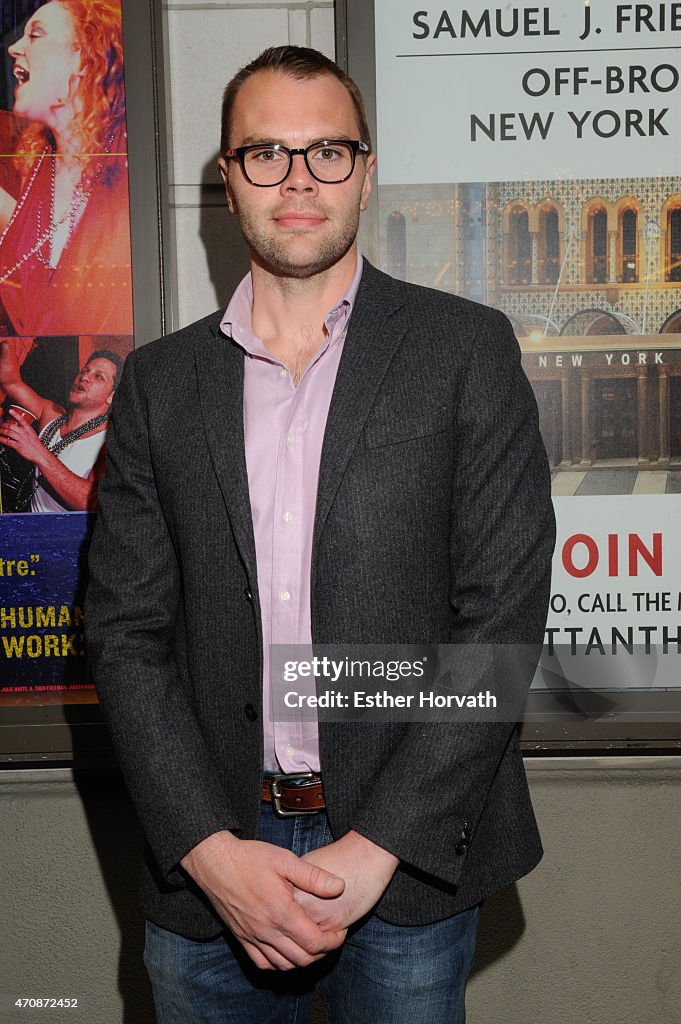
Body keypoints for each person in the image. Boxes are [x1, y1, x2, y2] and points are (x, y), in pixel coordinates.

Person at [85, 46, 555, 1023]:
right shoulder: (158, 387)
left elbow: (500, 625)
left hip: (406, 859)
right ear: (228, 178)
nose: (299, 179)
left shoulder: (465, 351)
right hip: (210, 860)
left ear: (367, 170)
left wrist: (375, 846)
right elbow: (125, 636)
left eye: (328, 151)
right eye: (266, 153)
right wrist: (212, 854)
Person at [0, 0, 132, 336]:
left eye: (36, 35)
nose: (14, 48)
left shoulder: (127, 168)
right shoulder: (37, 168)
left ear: (84, 60)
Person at [0, 338, 121, 511]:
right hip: (30, 530)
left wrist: (37, 452)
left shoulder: (109, 440)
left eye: (98, 376)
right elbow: (10, 381)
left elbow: (91, 501)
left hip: (67, 536)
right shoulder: (52, 415)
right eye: (85, 370)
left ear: (112, 396)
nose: (85, 377)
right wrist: (7, 340)